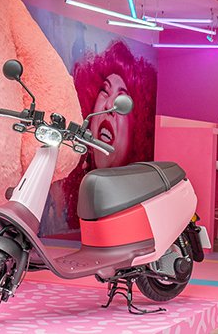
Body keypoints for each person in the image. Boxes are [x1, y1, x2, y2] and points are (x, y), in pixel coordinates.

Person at [41, 40, 157, 234]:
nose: (109, 104)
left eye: (122, 99)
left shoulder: (135, 208)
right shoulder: (58, 194)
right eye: (104, 91)